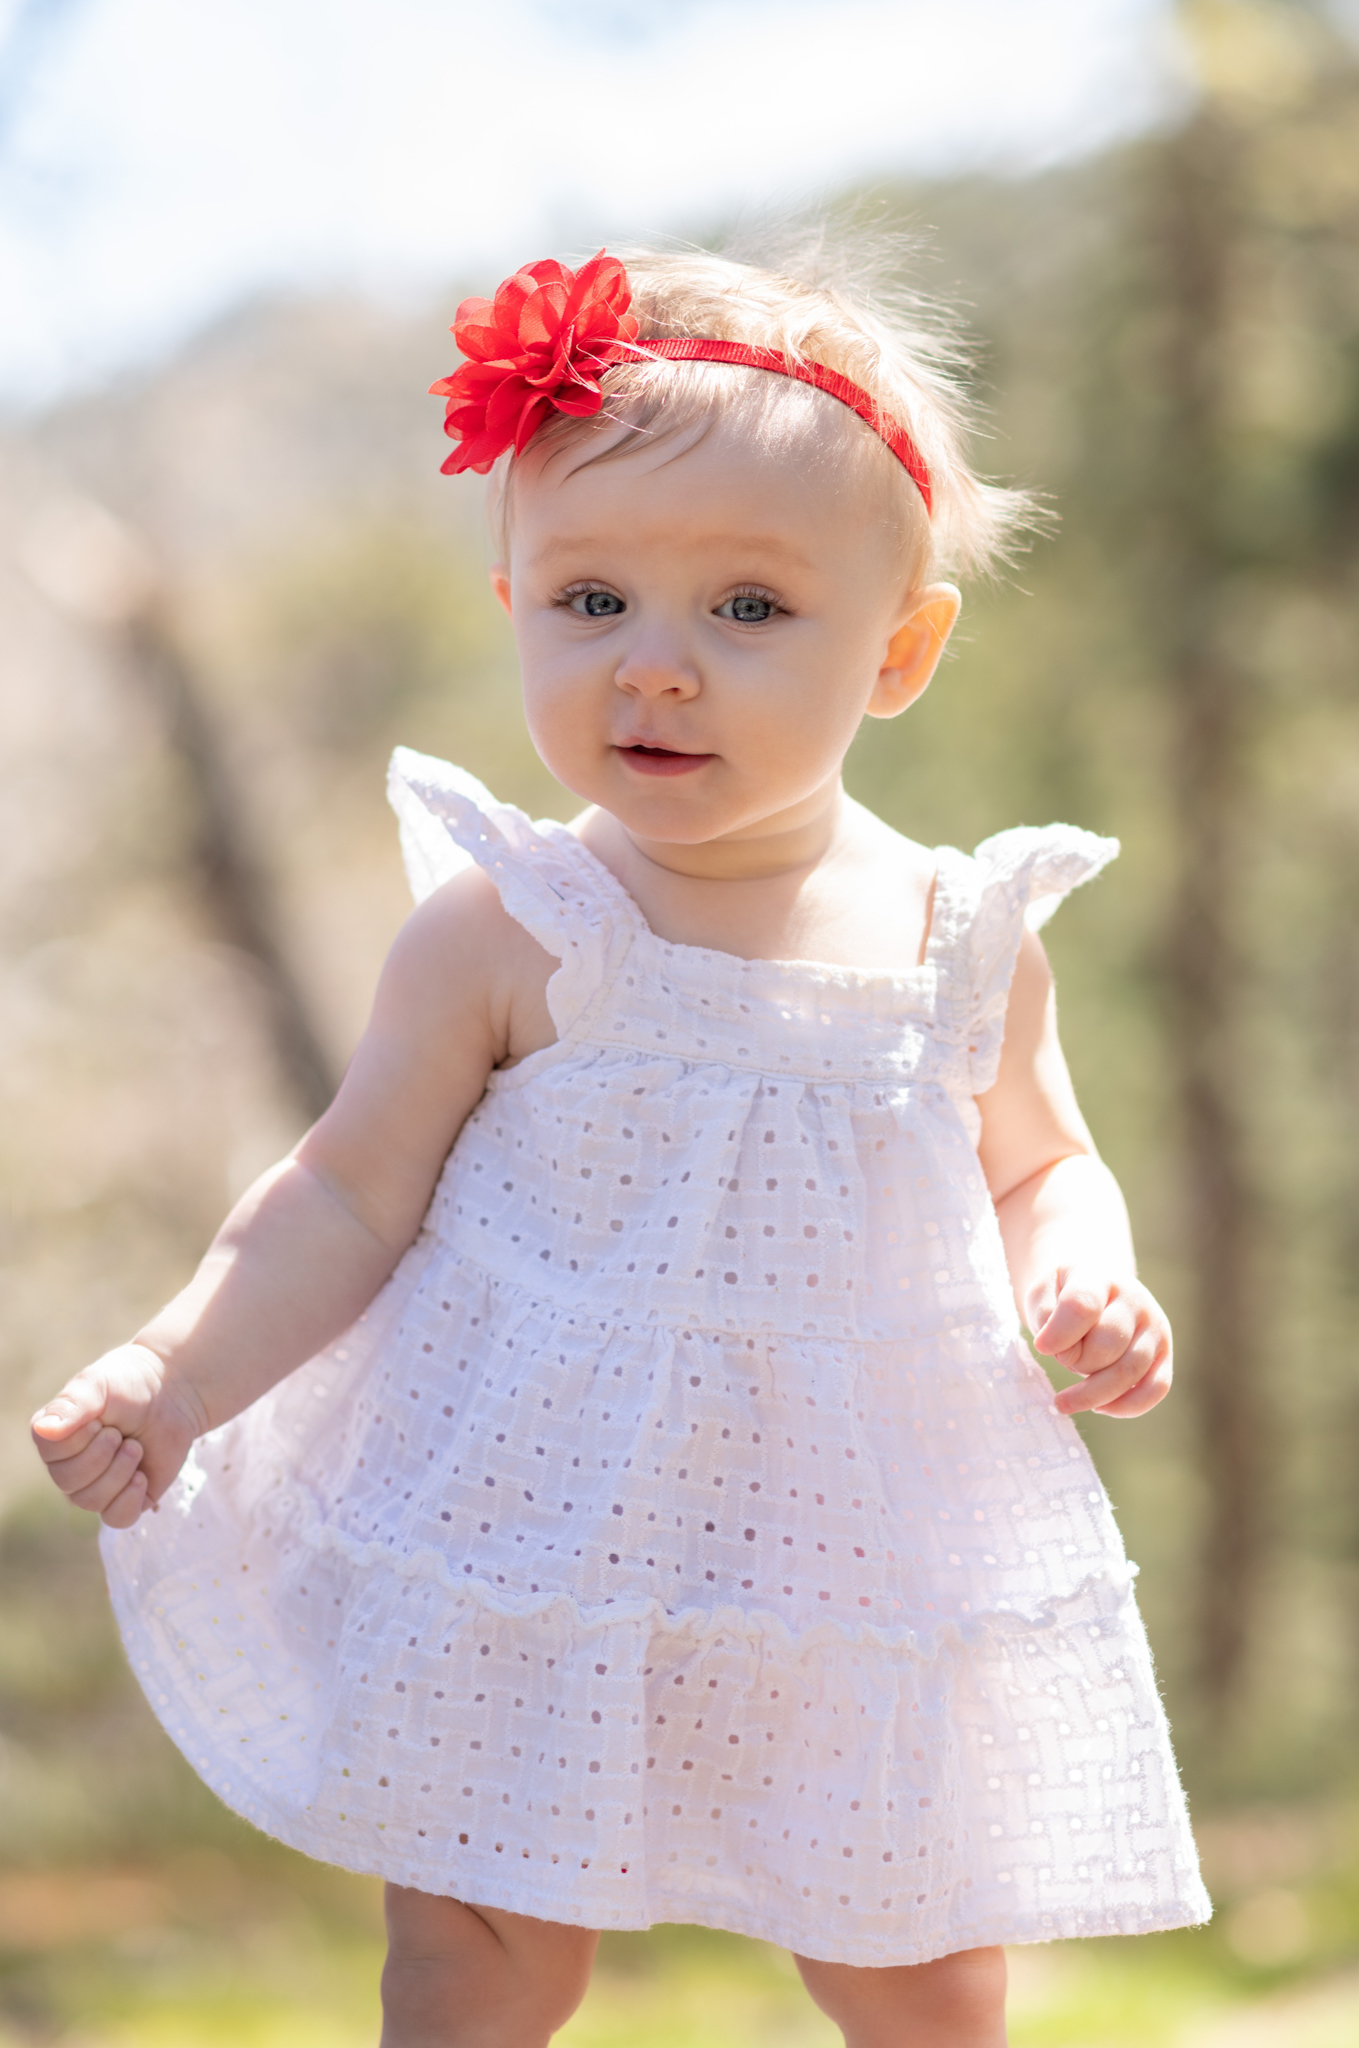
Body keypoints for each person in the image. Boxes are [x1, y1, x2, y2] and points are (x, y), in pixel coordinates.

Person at [31, 238, 1210, 2047]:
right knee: (479, 1945)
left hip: (849, 1544)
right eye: (592, 602)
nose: (656, 668)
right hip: (536, 1523)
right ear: (512, 598)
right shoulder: (518, 927)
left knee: (916, 1952)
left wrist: (1082, 1265)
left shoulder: (956, 940)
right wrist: (174, 1373)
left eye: (748, 610)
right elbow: (347, 1190)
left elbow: (1042, 1158)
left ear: (896, 653)